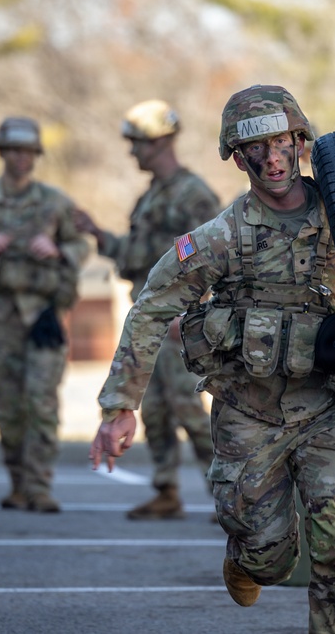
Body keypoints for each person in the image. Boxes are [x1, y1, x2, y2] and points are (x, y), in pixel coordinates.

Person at [89, 85, 335, 633]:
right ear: (239, 157)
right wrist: (120, 406)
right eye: (256, 149)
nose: (273, 159)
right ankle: (247, 559)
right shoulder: (222, 237)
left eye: (282, 142)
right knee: (270, 556)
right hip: (248, 412)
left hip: (330, 404)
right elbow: (151, 309)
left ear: (300, 142)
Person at [74, 99, 220, 520]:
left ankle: (227, 493)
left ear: (161, 142)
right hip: (152, 319)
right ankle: (166, 490)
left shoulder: (194, 195)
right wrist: (97, 234)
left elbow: (214, 259)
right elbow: (137, 256)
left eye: (138, 143)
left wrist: (192, 312)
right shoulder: (151, 196)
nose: (133, 151)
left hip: (177, 322)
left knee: (189, 408)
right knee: (154, 410)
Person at [0, 117, 90, 514]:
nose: (20, 158)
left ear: (36, 156)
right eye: (13, 150)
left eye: (27, 151)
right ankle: (18, 483)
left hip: (43, 313)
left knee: (41, 401)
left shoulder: (54, 201)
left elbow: (81, 244)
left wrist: (59, 251)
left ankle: (40, 486)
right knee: (7, 403)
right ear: (2, 153)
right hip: (0, 313)